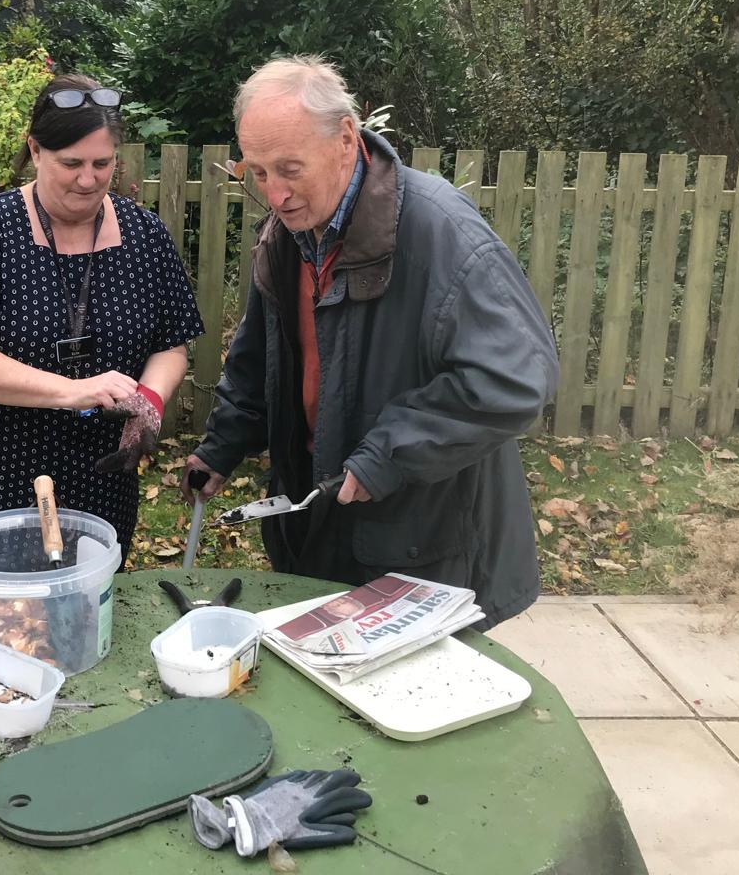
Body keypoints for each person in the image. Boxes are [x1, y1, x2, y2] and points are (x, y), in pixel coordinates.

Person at [186, 57, 558, 628]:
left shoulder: (440, 232)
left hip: (425, 544)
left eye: (289, 169)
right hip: (317, 520)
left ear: (344, 139)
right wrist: (220, 448)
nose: (275, 194)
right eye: (257, 172)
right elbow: (262, 360)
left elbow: (514, 379)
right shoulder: (290, 232)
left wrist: (389, 453)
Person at [0, 73, 204, 626]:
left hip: (99, 476)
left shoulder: (145, 237)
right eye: (71, 164)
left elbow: (172, 346)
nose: (88, 179)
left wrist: (149, 400)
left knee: (81, 630)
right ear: (35, 151)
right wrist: (72, 391)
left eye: (102, 163)